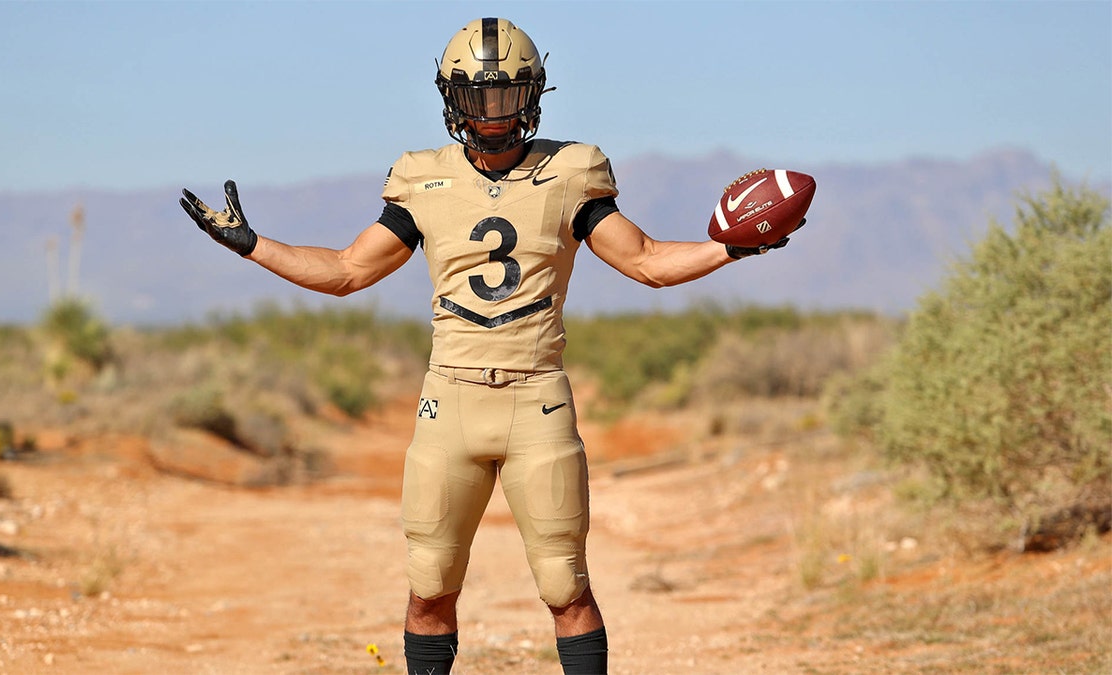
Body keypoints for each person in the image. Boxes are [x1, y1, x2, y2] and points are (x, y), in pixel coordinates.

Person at [179, 17, 798, 675]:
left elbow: (644, 260)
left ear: (533, 94)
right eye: (480, 96)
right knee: (429, 585)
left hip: (537, 401)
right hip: (449, 402)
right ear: (452, 98)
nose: (494, 112)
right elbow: (347, 271)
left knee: (566, 586)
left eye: (506, 95)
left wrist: (730, 246)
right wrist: (254, 246)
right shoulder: (422, 179)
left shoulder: (570, 171)